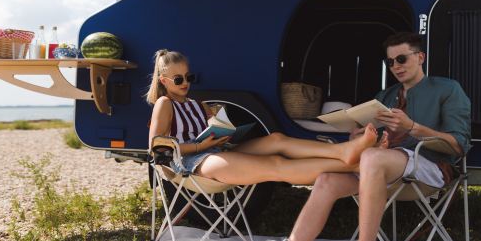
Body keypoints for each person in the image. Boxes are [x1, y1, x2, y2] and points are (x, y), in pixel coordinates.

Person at [241, 32, 471, 241]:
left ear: (420, 57)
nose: (396, 66)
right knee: (327, 179)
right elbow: (377, 139)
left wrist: (413, 127)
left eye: (402, 59)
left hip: (429, 166)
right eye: (390, 62)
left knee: (371, 157)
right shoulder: (386, 95)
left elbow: (459, 145)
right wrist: (360, 136)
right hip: (383, 165)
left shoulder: (448, 89)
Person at [147, 49, 388, 186]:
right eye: (178, 80)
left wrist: (223, 132)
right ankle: (355, 165)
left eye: (188, 77)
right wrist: (201, 145)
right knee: (276, 164)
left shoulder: (198, 104)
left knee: (276, 139)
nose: (185, 83)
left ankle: (343, 151)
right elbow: (158, 148)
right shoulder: (164, 103)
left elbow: (215, 130)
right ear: (164, 81)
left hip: (216, 152)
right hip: (191, 163)